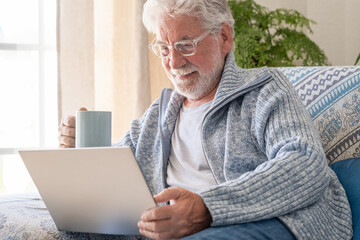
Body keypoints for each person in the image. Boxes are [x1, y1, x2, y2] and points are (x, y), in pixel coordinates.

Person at [58, 0, 353, 239]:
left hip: (259, 221)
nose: (173, 63)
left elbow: (305, 163)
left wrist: (206, 208)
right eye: (163, 47)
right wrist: (81, 151)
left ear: (224, 37)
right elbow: (117, 170)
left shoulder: (265, 90)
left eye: (186, 45)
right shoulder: (158, 114)